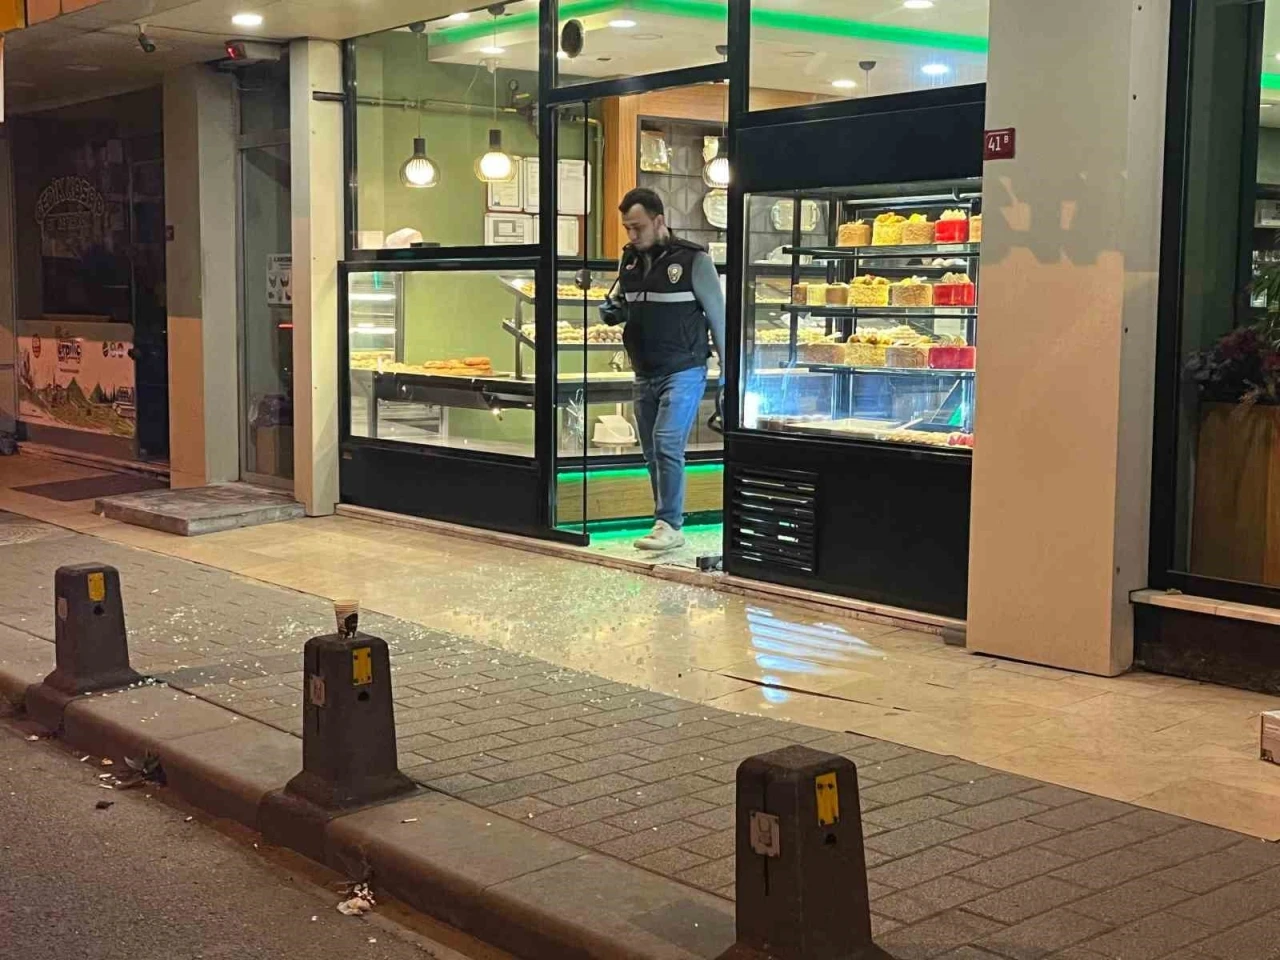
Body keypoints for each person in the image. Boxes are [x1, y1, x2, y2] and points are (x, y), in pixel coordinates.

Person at [601, 187, 726, 552]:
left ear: (659, 221)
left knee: (667, 442)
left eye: (638, 227)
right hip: (644, 371)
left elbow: (719, 318)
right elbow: (628, 305)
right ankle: (663, 521)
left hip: (684, 369)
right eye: (627, 228)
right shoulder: (629, 262)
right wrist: (615, 312)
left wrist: (728, 373)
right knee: (652, 452)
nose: (632, 234)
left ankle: (669, 523)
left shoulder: (693, 260)